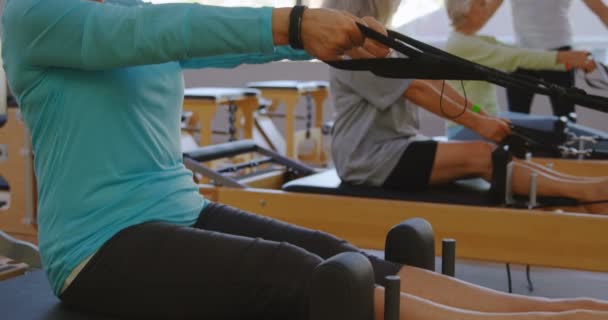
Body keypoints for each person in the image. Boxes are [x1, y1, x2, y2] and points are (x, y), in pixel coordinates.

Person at [3, 0, 608, 319]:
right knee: (303, 276)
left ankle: (550, 308)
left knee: (345, 261)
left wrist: (342, 43)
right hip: (98, 248)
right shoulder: (35, 14)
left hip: (179, 209)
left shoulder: (129, 10)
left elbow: (181, 38)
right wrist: (293, 23)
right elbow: (160, 33)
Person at [444, 0, 595, 121]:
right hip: (476, 118)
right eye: (482, 4)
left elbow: (514, 54)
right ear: (465, 10)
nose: (487, 10)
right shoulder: (467, 44)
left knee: (561, 120)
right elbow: (516, 57)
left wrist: (568, 60)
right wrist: (565, 57)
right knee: (549, 126)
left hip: (483, 114)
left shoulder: (475, 41)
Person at [506, 0, 608, 118]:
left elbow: (602, 11)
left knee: (565, 116)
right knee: (516, 116)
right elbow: (484, 10)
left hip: (561, 54)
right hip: (524, 55)